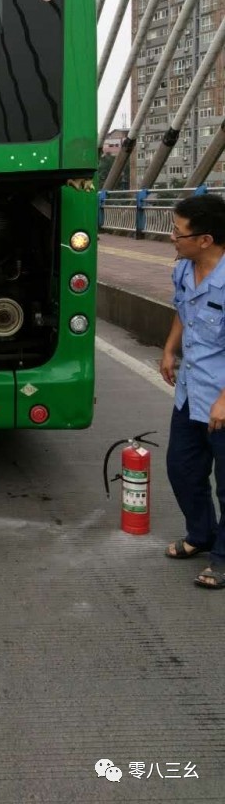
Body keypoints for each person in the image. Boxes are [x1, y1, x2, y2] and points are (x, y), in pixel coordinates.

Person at [160, 194, 225, 589]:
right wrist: (169, 349)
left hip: (221, 400)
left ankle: (223, 558)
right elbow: (183, 311)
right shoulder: (185, 270)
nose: (172, 238)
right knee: (182, 468)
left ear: (205, 239)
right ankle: (201, 535)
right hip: (190, 392)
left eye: (178, 232)